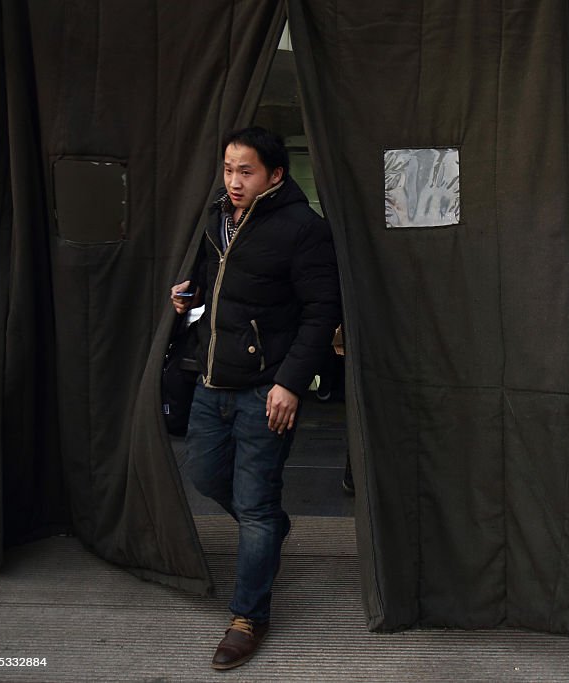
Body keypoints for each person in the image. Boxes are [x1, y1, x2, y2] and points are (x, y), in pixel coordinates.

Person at [170, 126, 341, 671]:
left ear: (275, 174)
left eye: (246, 171)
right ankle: (265, 531)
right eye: (228, 169)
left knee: (257, 505)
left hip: (265, 391)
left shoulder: (303, 230)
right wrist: (184, 299)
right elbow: (207, 284)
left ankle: (248, 617)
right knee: (204, 476)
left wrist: (290, 383)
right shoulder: (216, 220)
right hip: (211, 382)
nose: (234, 180)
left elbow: (321, 313)